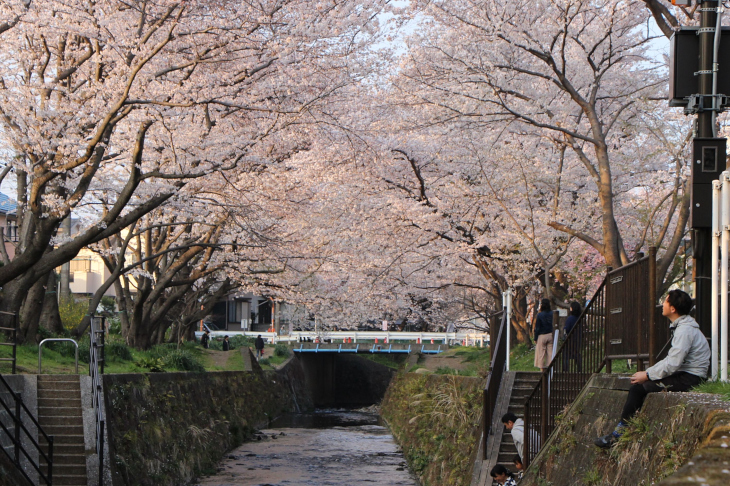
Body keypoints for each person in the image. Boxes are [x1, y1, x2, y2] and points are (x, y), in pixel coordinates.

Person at [594, 289, 710, 449]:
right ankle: (625, 430)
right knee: (639, 386)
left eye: (666, 301)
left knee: (638, 389)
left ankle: (618, 435)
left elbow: (673, 363)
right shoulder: (683, 327)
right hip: (686, 374)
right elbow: (671, 361)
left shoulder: (684, 330)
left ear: (673, 308)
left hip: (690, 378)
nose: (663, 304)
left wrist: (648, 374)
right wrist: (648, 373)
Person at [534, 298, 554, 372]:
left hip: (542, 335)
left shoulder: (540, 315)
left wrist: (535, 338)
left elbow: (537, 327)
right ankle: (550, 367)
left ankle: (542, 369)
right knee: (550, 352)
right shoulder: (552, 313)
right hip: (550, 334)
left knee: (541, 353)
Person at [562, 301, 582, 372]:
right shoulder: (580, 318)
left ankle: (565, 370)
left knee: (565, 355)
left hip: (570, 340)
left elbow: (567, 329)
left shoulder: (570, 318)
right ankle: (579, 369)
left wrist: (564, 329)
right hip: (578, 339)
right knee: (576, 353)